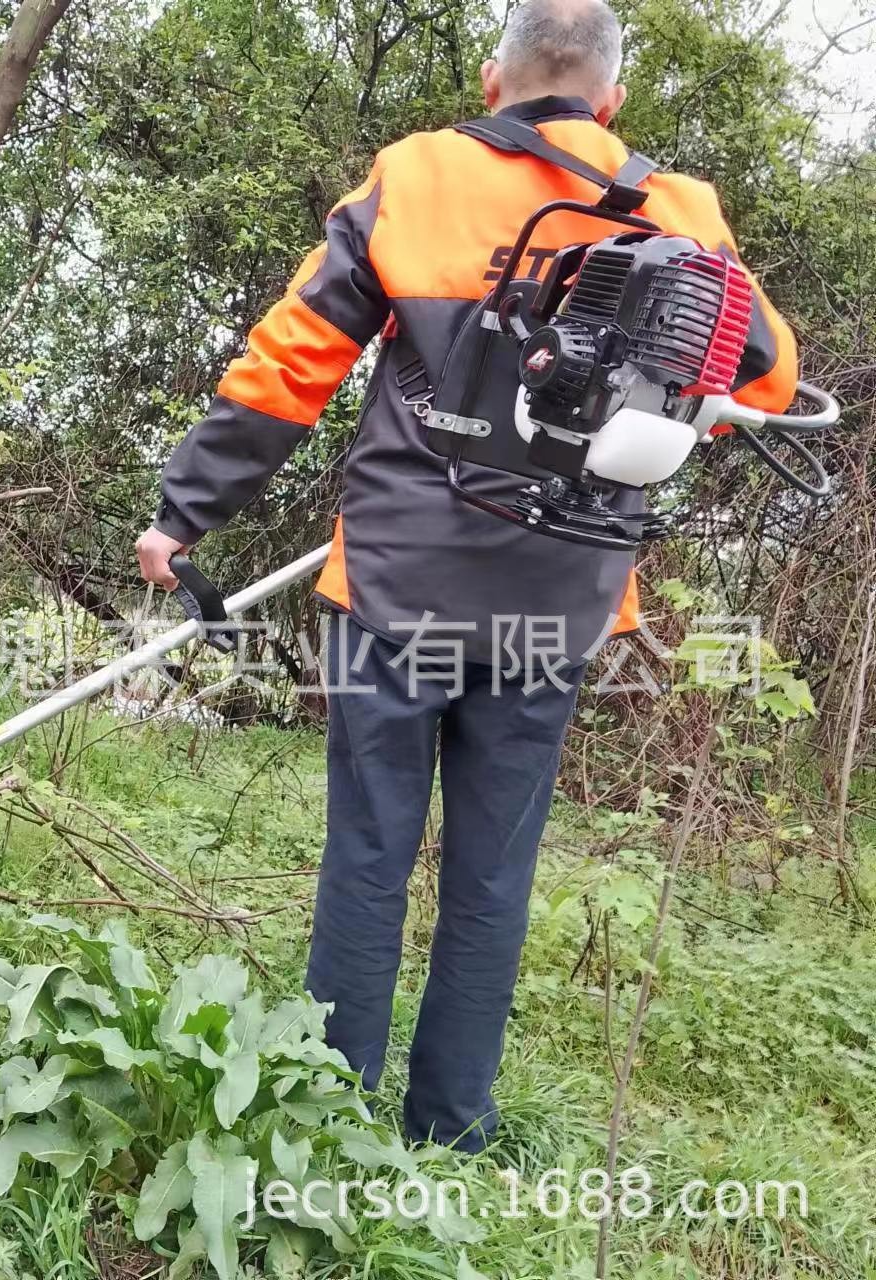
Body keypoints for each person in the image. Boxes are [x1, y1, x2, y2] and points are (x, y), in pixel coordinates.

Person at [136, 0, 797, 1150]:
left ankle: (328, 1117)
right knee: (492, 871)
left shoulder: (416, 176)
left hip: (396, 584)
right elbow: (766, 383)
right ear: (609, 98)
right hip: (560, 601)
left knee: (368, 852)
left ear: (495, 80)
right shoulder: (680, 211)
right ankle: (449, 1126)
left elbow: (291, 361)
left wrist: (183, 512)